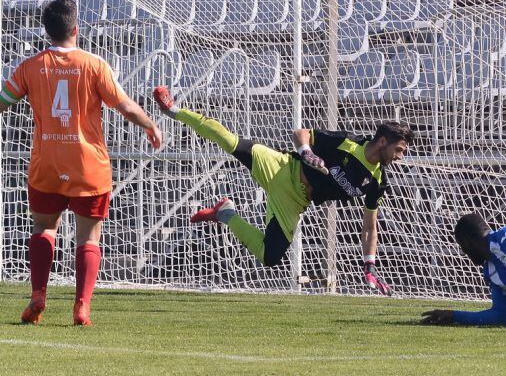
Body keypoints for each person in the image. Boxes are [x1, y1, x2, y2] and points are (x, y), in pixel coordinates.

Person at [0, 0, 163, 326]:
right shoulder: (94, 65)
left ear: (47, 31)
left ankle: (38, 293)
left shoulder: (30, 66)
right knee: (88, 238)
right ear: (75, 30)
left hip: (46, 165)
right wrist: (150, 124)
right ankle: (82, 306)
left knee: (43, 228)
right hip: (89, 166)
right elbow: (124, 106)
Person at [152, 85, 412, 295]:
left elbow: (370, 226)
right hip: (281, 167)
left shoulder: (378, 182)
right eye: (399, 150)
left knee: (270, 256)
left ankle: (225, 214)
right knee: (229, 140)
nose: (400, 157)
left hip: (294, 200)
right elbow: (301, 133)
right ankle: (174, 110)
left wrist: (369, 265)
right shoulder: (348, 142)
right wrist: (307, 153)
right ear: (382, 141)